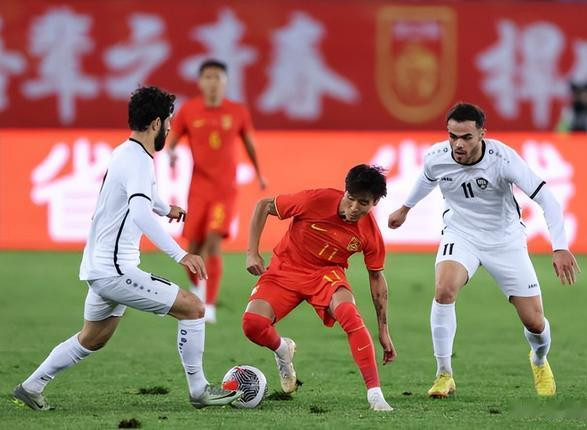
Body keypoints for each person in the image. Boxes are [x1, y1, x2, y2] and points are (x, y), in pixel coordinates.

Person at [12, 86, 241, 411]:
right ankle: (199, 390)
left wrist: (166, 208)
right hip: (116, 270)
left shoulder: (126, 152)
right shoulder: (138, 161)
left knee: (93, 338)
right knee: (193, 308)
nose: (170, 128)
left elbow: (142, 194)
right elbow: (139, 212)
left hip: (99, 267)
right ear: (156, 123)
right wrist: (182, 254)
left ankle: (31, 386)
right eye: (169, 122)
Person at [388, 103, 580, 398]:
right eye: (453, 136)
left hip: (505, 241)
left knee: (534, 322)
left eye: (466, 137)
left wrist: (560, 247)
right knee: (444, 290)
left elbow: (548, 200)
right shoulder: (437, 157)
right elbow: (426, 179)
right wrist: (405, 208)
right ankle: (444, 374)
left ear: (482, 134)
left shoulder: (503, 159)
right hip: (460, 234)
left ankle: (539, 360)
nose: (458, 144)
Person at [242, 165, 396, 411]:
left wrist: (383, 330)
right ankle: (283, 349)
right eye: (351, 198)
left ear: (375, 202)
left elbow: (376, 277)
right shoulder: (315, 200)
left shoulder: (370, 234)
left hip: (326, 275)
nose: (354, 208)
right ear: (345, 191)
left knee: (349, 314)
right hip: (285, 269)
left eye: (363, 203)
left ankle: (375, 395)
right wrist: (252, 253)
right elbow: (264, 205)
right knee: (252, 325)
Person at [167, 59, 266, 324]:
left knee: (212, 243)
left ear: (225, 82)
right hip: (198, 188)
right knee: (192, 247)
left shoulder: (237, 111)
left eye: (217, 77)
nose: (213, 82)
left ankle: (209, 304)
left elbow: (249, 143)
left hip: (225, 190)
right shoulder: (190, 110)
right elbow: (172, 139)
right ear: (200, 82)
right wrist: (172, 153)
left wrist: (259, 174)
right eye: (208, 77)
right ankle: (198, 290)